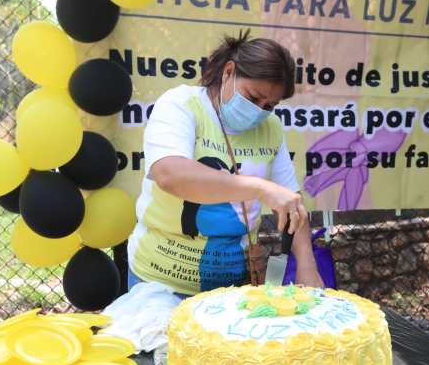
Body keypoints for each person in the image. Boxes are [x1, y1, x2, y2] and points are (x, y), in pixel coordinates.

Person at [126, 30, 324, 297]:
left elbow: (291, 202)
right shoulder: (182, 105)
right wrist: (260, 188)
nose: (259, 110)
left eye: (270, 105)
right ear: (228, 73)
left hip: (232, 288)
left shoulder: (271, 128)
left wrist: (307, 267)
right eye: (253, 98)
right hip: (161, 284)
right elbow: (170, 175)